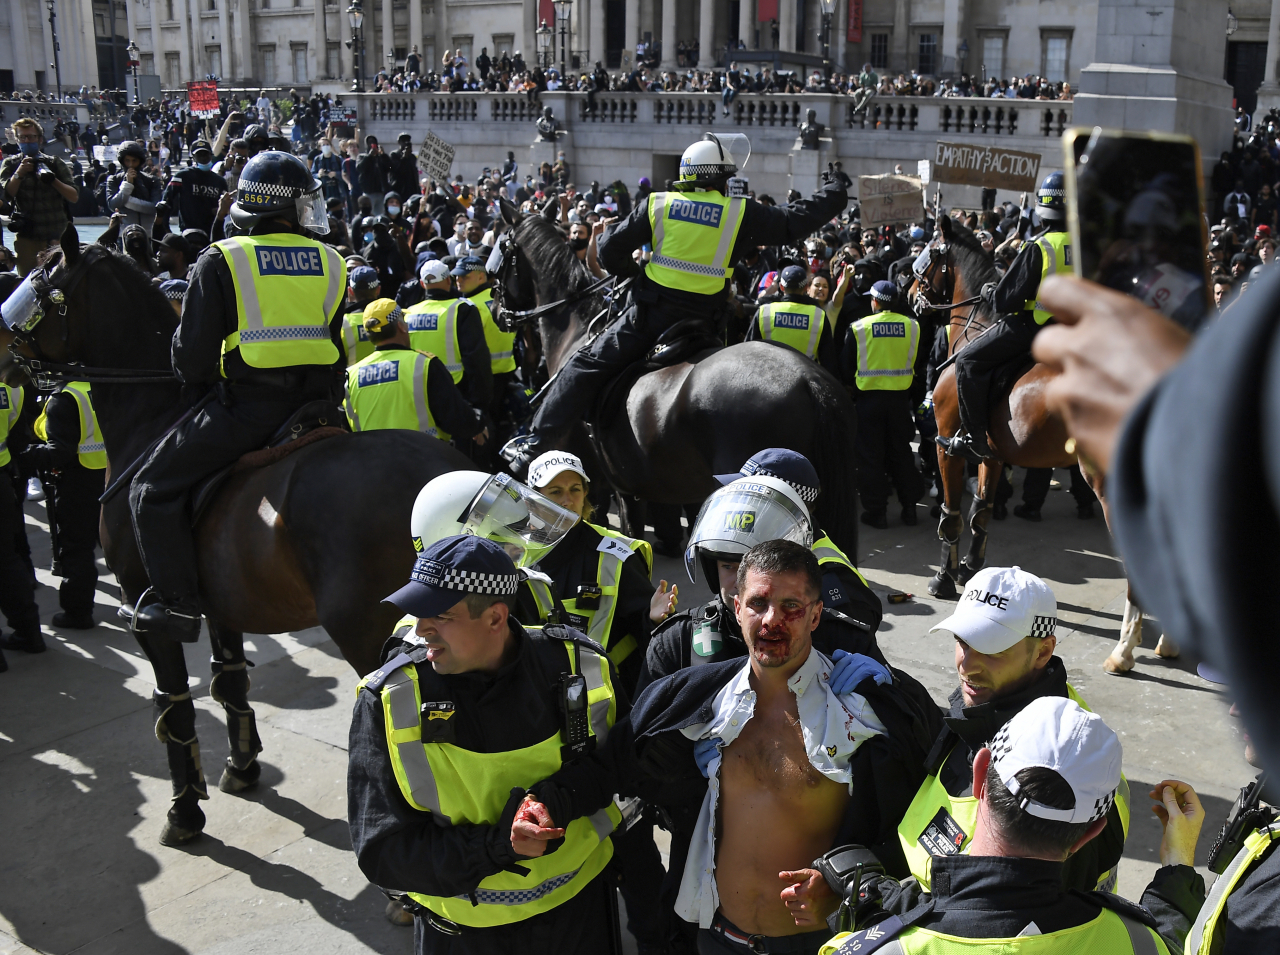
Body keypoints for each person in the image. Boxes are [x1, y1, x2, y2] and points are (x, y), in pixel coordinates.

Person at [628, 539, 940, 955]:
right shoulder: (697, 706)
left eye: (791, 606)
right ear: (737, 608)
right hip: (717, 938)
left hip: (820, 944)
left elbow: (926, 826)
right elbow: (621, 764)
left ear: (816, 616)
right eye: (758, 603)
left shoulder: (860, 714)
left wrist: (847, 887)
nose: (772, 620)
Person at [502, 133, 849, 474]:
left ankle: (537, 443)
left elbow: (608, 251)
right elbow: (794, 221)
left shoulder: (659, 204)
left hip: (650, 317)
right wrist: (834, 191)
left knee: (585, 364)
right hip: (708, 323)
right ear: (719, 181)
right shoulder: (739, 213)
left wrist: (633, 273)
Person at [347, 534, 628, 953]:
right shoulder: (388, 699)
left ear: (496, 617)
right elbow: (383, 853)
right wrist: (498, 846)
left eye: (441, 615)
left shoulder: (581, 663)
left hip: (580, 916)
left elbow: (621, 764)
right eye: (418, 613)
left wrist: (561, 799)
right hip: (463, 936)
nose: (421, 630)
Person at [128, 151, 345, 640]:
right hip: (319, 409)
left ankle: (179, 607)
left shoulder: (222, 258)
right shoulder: (331, 260)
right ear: (292, 208)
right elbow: (334, 346)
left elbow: (192, 363)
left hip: (249, 410)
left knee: (150, 489)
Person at [821, 697, 1175, 955]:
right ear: (1090, 833)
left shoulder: (883, 949)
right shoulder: (1140, 942)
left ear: (978, 776)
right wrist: (1177, 868)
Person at [888, 565, 1129, 891]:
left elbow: (1014, 909)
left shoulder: (1059, 766)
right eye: (962, 641)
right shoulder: (990, 703)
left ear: (1043, 651)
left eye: (992, 650)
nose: (967, 665)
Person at [941, 172, 1072, 463]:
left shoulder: (1040, 246)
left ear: (1043, 209)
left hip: (1036, 327)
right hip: (1077, 330)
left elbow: (1005, 301)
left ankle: (974, 440)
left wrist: (988, 290)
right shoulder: (1088, 247)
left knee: (967, 361)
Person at [19, 380, 107, 630]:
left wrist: (24, 455)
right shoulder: (95, 386)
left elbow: (59, 451)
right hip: (109, 474)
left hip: (77, 481)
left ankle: (78, 613)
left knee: (77, 550)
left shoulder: (65, 398)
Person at [343, 298, 487, 444]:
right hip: (425, 453)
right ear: (401, 326)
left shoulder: (351, 375)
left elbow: (353, 426)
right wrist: (478, 423)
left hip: (374, 455)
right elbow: (457, 419)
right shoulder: (423, 365)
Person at [845, 280, 925, 528]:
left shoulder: (859, 327)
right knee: (902, 453)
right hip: (900, 402)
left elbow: (847, 367)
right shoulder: (912, 326)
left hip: (869, 402)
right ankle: (910, 509)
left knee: (870, 458)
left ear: (875, 302)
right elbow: (919, 362)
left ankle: (876, 512)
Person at [404, 259, 493, 410]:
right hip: (456, 391)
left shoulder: (408, 313)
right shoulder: (462, 309)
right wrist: (481, 401)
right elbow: (476, 358)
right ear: (448, 280)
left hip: (418, 390)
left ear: (422, 284)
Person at [1, 117, 79, 275]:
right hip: (27, 237)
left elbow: (73, 196)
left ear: (40, 139)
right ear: (17, 140)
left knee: (64, 279)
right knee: (27, 281)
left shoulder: (54, 163)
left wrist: (52, 180)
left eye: (31, 137)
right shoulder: (11, 164)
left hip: (57, 234)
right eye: (22, 137)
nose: (27, 141)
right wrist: (19, 173)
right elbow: (6, 196)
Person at [0, 372, 41, 663]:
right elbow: (17, 434)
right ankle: (30, 634)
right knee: (7, 560)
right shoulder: (10, 385)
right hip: (2, 480)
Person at [456, 255, 518, 427]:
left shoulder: (468, 306)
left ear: (481, 277)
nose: (458, 280)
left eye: (464, 276)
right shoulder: (500, 298)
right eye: (457, 276)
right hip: (506, 371)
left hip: (482, 377)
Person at [748, 264, 838, 371]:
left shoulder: (764, 312)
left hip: (769, 374)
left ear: (781, 287)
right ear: (806, 287)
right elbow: (828, 361)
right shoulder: (819, 315)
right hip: (805, 376)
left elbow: (748, 353)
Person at [342, 265, 382, 365]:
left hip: (352, 374)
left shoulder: (343, 323)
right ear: (378, 290)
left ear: (350, 291)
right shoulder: (392, 318)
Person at [357, 135, 392, 216]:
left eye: (374, 142)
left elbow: (390, 167)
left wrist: (383, 155)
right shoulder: (362, 156)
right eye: (370, 143)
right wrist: (370, 156)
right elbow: (360, 168)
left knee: (380, 214)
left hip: (381, 191)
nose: (372, 144)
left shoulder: (380, 157)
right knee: (369, 213)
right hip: (369, 191)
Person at [388, 132, 419, 199]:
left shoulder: (412, 157)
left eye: (407, 140)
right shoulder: (394, 155)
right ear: (399, 142)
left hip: (411, 189)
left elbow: (414, 173)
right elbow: (396, 170)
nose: (405, 143)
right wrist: (404, 157)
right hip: (400, 189)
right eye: (403, 141)